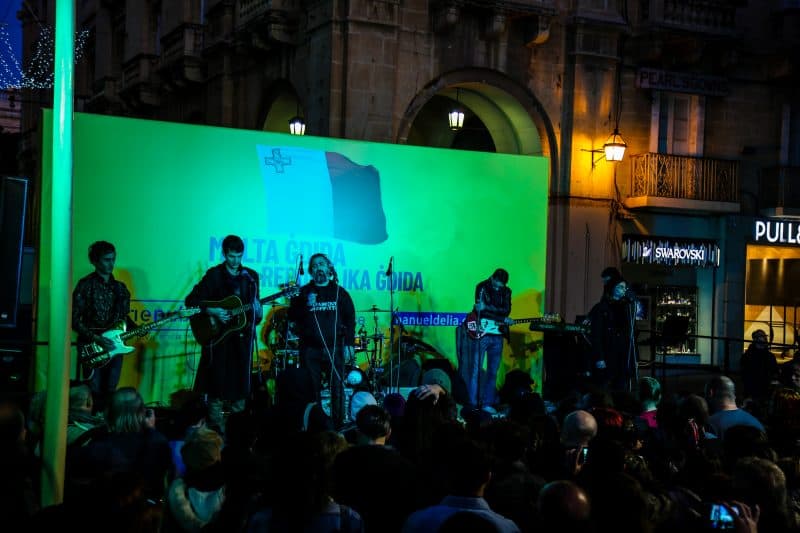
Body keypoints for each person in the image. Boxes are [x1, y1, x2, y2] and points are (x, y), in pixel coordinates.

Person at [185, 235, 263, 431]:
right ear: (224, 254)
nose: (235, 261)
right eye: (231, 256)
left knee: (240, 389)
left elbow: (255, 316)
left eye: (239, 256)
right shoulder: (215, 275)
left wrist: (258, 310)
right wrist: (212, 311)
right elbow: (191, 300)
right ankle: (216, 432)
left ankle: (236, 432)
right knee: (216, 388)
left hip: (242, 341)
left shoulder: (251, 277)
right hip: (218, 339)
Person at [288, 253, 355, 427]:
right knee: (312, 390)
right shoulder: (304, 292)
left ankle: (338, 426)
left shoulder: (340, 292)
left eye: (322, 264)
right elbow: (292, 316)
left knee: (337, 389)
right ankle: (315, 426)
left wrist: (349, 344)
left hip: (335, 348)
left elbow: (350, 319)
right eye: (315, 265)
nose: (319, 268)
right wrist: (306, 305)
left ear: (329, 268)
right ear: (311, 271)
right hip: (310, 349)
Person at [72, 240, 136, 410]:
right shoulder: (85, 285)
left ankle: (106, 421)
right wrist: (96, 338)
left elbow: (123, 318)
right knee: (93, 390)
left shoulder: (120, 288)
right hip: (92, 345)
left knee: (110, 389)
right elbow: (74, 319)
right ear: (94, 261)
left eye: (113, 259)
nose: (111, 263)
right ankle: (90, 420)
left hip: (115, 344)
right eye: (106, 260)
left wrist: (138, 328)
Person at [461, 268, 512, 414]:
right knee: (475, 370)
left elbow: (506, 310)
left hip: (498, 334)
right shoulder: (481, 287)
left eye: (501, 285)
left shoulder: (507, 291)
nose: (499, 287)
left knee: (493, 372)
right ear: (493, 278)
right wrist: (500, 316)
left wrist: (489, 309)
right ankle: (472, 403)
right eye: (497, 284)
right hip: (482, 333)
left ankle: (487, 403)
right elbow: (480, 310)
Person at [587, 269, 638, 393]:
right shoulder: (602, 308)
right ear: (612, 288)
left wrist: (633, 358)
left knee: (621, 387)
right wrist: (599, 357)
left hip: (622, 354)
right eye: (620, 287)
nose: (623, 290)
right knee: (605, 387)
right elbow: (596, 334)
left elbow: (631, 332)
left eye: (625, 288)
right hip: (608, 352)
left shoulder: (626, 307)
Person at [741, 329, 778, 410]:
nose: (765, 339)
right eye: (762, 336)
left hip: (762, 386)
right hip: (755, 386)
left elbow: (774, 371)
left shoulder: (769, 356)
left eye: (764, 336)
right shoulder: (749, 355)